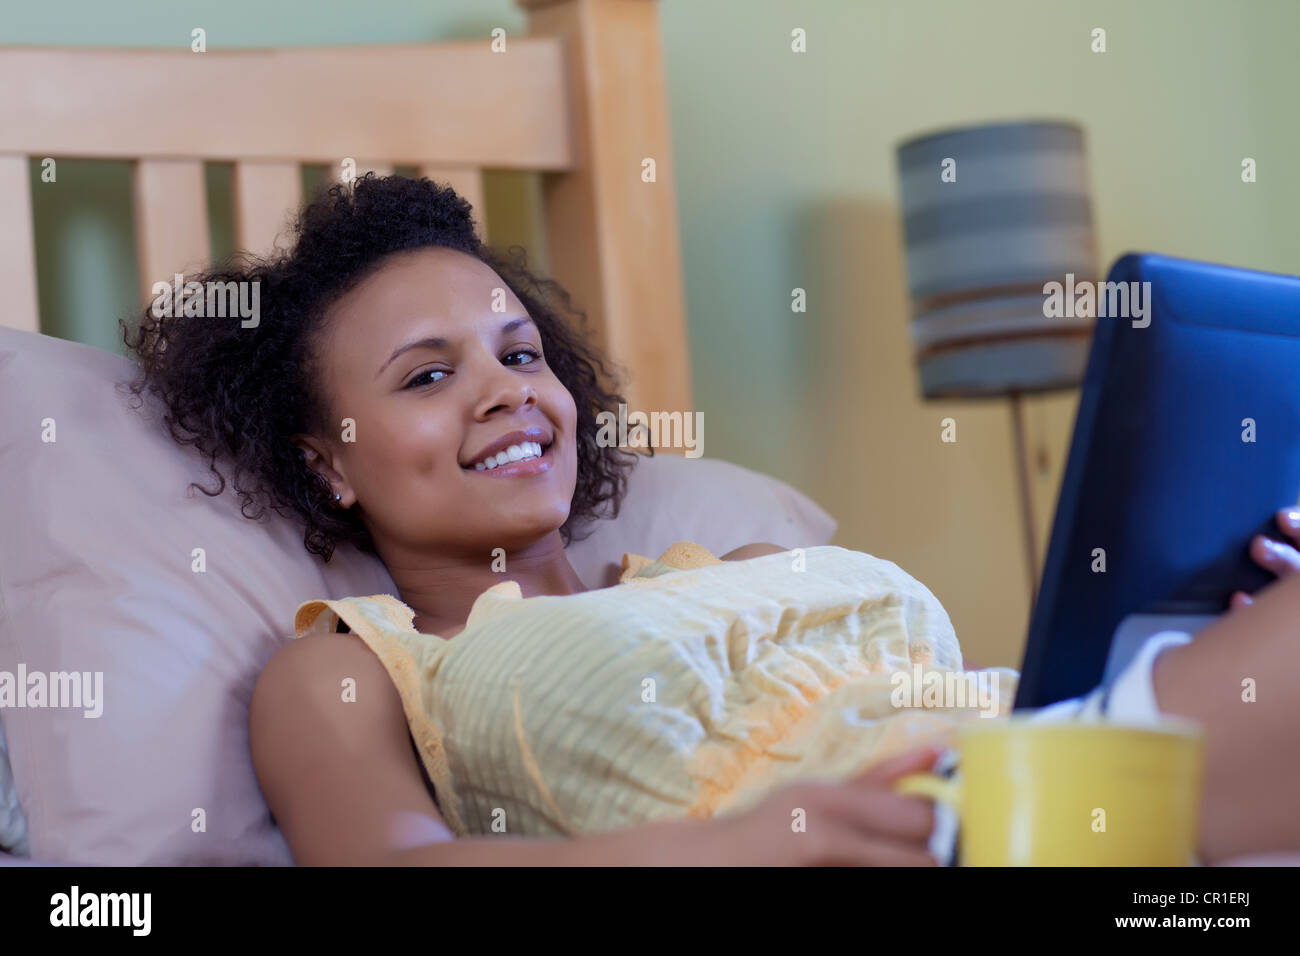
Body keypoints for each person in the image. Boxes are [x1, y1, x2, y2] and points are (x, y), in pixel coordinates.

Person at [124, 174, 1300, 866]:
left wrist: (1200, 615)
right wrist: (746, 846)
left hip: (1046, 768)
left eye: (520, 352)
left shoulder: (734, 560)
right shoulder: (352, 663)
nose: (506, 391)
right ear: (327, 461)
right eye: (426, 376)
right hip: (961, 828)